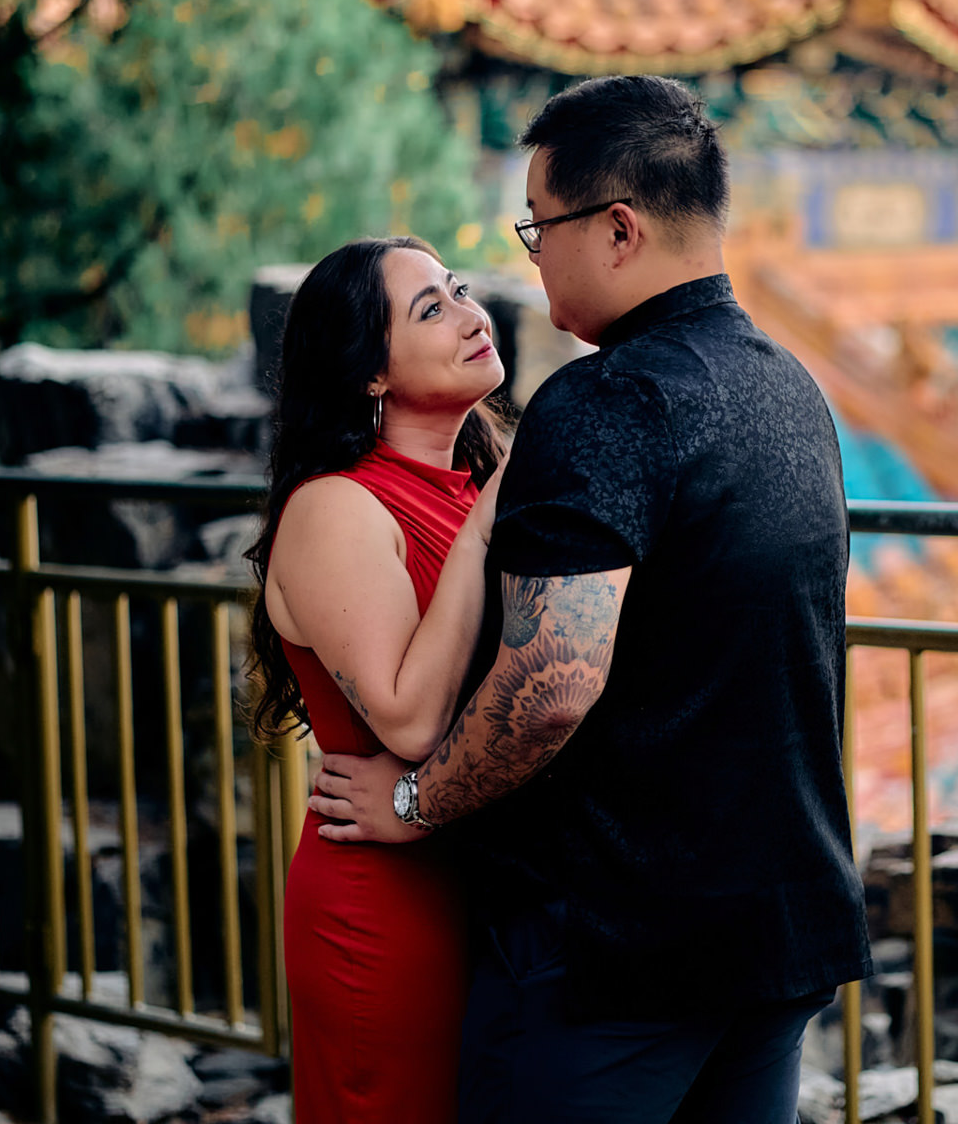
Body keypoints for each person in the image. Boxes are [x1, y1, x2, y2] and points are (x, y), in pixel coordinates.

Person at [307, 75, 874, 1123]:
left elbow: (552, 682)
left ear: (618, 229)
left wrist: (410, 802)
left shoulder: (605, 397)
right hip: (779, 931)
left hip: (619, 956)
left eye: (539, 226)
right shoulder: (789, 388)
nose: (527, 258)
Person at [246, 235, 510, 1124]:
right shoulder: (336, 508)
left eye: (460, 291)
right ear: (368, 373)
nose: (472, 316)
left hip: (480, 879)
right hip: (387, 909)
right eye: (430, 309)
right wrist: (481, 534)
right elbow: (407, 720)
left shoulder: (477, 481)